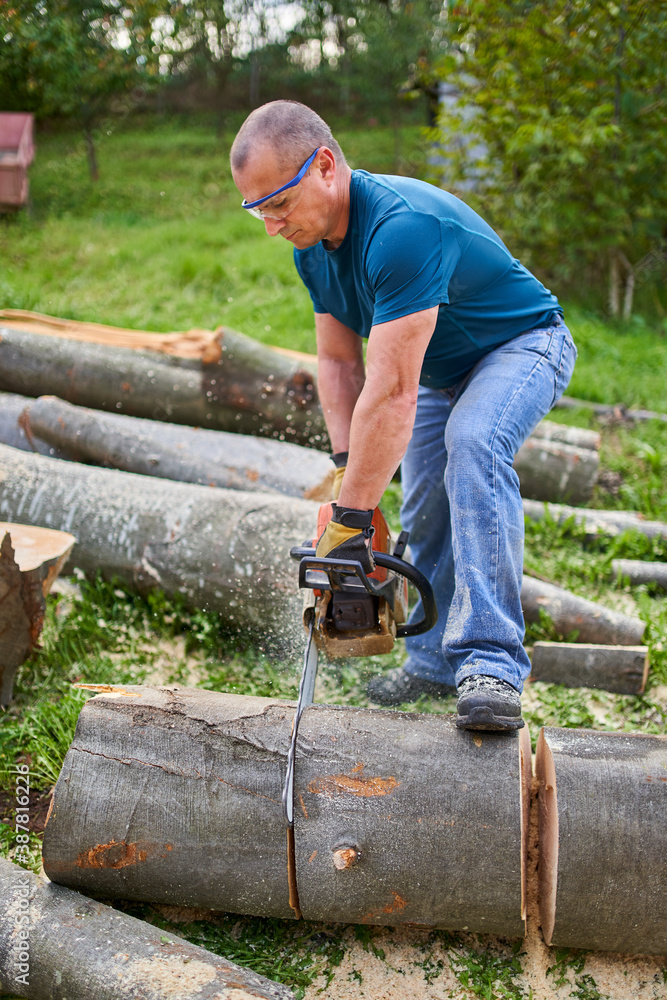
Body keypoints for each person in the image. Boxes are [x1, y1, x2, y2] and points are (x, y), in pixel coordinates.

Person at [230, 101, 577, 732]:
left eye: (277, 204)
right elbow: (338, 366)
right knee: (421, 502)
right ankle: (432, 661)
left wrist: (351, 522)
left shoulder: (400, 228)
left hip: (523, 345)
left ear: (325, 166)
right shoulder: (313, 250)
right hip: (443, 372)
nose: (271, 227)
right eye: (257, 210)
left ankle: (492, 662)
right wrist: (346, 481)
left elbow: (391, 394)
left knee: (473, 446)